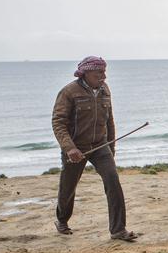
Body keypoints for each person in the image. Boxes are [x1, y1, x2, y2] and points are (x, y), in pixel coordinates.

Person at [51, 56, 137, 241]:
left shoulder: (105, 89)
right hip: (76, 148)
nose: (104, 76)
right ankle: (62, 220)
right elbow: (58, 123)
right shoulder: (68, 92)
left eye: (105, 72)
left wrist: (111, 147)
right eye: (99, 72)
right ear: (86, 73)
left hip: (100, 146)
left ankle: (118, 230)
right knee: (68, 187)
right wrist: (69, 148)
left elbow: (109, 121)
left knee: (113, 181)